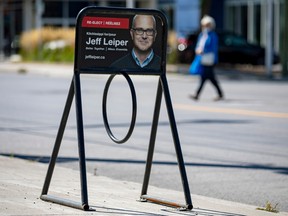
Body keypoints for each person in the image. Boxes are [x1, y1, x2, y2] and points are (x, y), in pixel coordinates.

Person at [190, 15, 224, 101]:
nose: (206, 27)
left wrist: (203, 50)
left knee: (206, 77)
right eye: (205, 25)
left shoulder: (213, 35)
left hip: (209, 59)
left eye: (208, 25)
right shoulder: (202, 35)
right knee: (208, 77)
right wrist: (197, 50)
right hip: (202, 59)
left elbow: (212, 47)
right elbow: (198, 45)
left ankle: (197, 94)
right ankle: (219, 93)